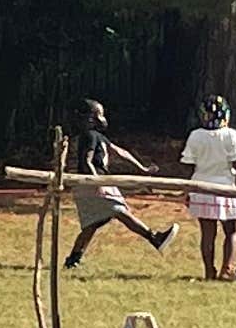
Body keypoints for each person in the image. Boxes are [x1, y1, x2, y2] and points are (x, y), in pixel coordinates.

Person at [60, 101, 173, 267]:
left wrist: (142, 168)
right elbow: (87, 160)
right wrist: (96, 182)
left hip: (97, 182)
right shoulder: (89, 136)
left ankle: (73, 259)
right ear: (90, 118)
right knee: (120, 211)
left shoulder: (98, 136)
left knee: (93, 224)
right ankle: (154, 237)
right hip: (94, 182)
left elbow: (121, 152)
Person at [180, 94, 236, 279]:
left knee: (207, 233)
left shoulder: (195, 136)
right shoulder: (230, 135)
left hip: (201, 187)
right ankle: (227, 269)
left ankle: (209, 270)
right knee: (232, 231)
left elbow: (190, 166)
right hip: (226, 188)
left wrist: (188, 191)